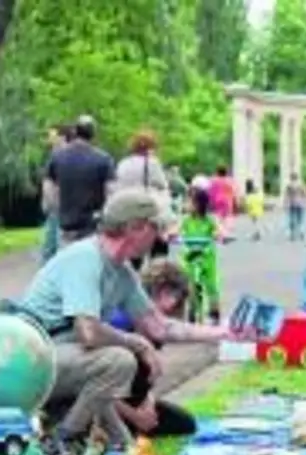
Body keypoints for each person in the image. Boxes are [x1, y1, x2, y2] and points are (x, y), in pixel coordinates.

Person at [8, 189, 219, 455]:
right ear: (136, 228)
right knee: (119, 361)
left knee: (113, 367)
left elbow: (159, 326)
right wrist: (136, 342)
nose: (158, 237)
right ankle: (59, 444)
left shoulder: (121, 272)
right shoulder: (85, 258)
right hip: (26, 363)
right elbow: (89, 333)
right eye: (155, 228)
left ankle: (97, 441)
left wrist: (226, 332)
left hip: (63, 360)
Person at [91, 259, 228, 438]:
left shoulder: (151, 324)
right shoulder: (119, 323)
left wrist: (148, 403)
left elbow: (146, 376)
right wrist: (135, 416)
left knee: (183, 423)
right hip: (104, 404)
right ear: (164, 293)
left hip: (132, 397)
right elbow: (96, 387)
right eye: (175, 298)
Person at [43, 115, 114, 245]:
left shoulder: (57, 157)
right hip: (93, 227)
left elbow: (48, 188)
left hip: (66, 227)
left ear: (75, 132)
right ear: (93, 134)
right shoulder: (104, 159)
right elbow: (110, 192)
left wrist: (57, 209)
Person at [115, 129, 172, 263]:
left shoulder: (123, 164)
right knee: (158, 250)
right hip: (148, 212)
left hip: (128, 212)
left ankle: (135, 280)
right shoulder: (152, 163)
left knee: (134, 253)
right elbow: (162, 185)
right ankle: (155, 277)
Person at [177, 187, 224, 322]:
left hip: (206, 256)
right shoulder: (186, 220)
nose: (187, 205)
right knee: (191, 283)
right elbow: (175, 229)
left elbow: (220, 230)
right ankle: (192, 309)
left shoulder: (209, 219)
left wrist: (220, 235)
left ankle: (214, 310)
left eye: (190, 202)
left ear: (199, 204)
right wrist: (171, 235)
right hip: (190, 256)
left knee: (211, 284)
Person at [38, 124, 74, 262]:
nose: (49, 139)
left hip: (62, 207)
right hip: (54, 209)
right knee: (49, 247)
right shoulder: (55, 156)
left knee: (56, 247)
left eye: (52, 135)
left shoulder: (64, 157)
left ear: (62, 137)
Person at [207, 166, 237, 232]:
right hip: (228, 200)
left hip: (217, 200)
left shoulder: (214, 181)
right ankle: (225, 231)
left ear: (217, 173)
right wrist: (234, 200)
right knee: (227, 216)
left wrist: (210, 201)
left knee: (218, 217)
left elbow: (210, 192)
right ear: (226, 173)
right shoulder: (230, 181)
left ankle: (221, 231)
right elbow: (234, 191)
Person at [283, 172, 306, 241]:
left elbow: (286, 195)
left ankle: (292, 234)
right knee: (301, 219)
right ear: (297, 177)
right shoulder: (302, 185)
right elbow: (305, 194)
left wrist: (285, 204)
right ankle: (301, 231)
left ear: (291, 178)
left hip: (292, 203)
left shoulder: (289, 185)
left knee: (292, 218)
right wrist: (305, 202)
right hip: (301, 204)